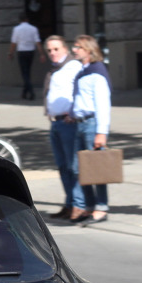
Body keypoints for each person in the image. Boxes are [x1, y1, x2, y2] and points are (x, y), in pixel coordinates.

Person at [69, 35, 112, 223]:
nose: (74, 50)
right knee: (80, 169)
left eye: (77, 47)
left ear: (88, 49)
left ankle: (101, 208)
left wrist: (102, 132)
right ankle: (89, 206)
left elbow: (103, 104)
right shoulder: (83, 71)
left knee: (96, 168)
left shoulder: (97, 72)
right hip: (80, 123)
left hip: (91, 124)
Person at [42, 35, 84, 220]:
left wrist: (73, 113)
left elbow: (81, 90)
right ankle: (69, 204)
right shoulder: (56, 69)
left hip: (68, 124)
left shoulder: (73, 66)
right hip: (56, 122)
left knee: (72, 166)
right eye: (49, 50)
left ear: (65, 49)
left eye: (56, 49)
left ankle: (78, 205)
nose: (52, 53)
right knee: (62, 166)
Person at [8, 13, 43, 100]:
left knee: (24, 73)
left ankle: (31, 91)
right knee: (27, 72)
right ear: (27, 19)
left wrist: (10, 53)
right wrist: (41, 53)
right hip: (31, 51)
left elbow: (13, 43)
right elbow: (37, 42)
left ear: (20, 20)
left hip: (21, 51)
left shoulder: (16, 29)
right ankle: (25, 92)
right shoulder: (33, 28)